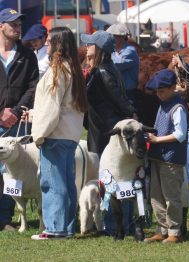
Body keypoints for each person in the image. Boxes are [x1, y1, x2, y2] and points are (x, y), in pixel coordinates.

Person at [29, 26, 87, 240]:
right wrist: (35, 115)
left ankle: (55, 228)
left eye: (50, 41)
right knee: (65, 183)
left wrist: (40, 134)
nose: (46, 43)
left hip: (54, 133)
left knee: (53, 183)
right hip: (69, 134)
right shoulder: (72, 68)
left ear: (58, 44)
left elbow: (52, 107)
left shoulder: (58, 70)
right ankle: (66, 227)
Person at [80, 30, 136, 236]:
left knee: (112, 179)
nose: (86, 47)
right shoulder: (104, 68)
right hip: (106, 131)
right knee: (117, 179)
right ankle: (120, 224)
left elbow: (120, 101)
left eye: (90, 44)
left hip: (108, 133)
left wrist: (132, 114)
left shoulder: (103, 72)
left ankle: (115, 225)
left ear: (100, 48)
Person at [0, 8, 39, 231]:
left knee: (11, 173)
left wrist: (14, 111)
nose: (17, 28)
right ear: (1, 26)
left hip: (17, 121)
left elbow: (33, 87)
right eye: (13, 24)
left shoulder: (27, 55)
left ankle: (5, 218)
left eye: (19, 24)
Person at [144, 68, 189, 244]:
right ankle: (162, 229)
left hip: (172, 159)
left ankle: (175, 231)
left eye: (162, 91)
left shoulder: (178, 107)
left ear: (172, 88)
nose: (159, 95)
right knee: (156, 196)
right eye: (157, 92)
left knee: (171, 197)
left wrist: (156, 139)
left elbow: (180, 134)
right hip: (158, 157)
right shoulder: (163, 105)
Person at [106, 24, 139, 107]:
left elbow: (117, 64)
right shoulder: (112, 51)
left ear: (122, 37)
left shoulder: (130, 51)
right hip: (115, 91)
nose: (109, 39)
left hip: (127, 93)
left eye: (113, 36)